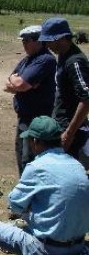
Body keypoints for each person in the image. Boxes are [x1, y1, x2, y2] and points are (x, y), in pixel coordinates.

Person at [0, 116, 89, 255]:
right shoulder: (77, 165)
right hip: (79, 247)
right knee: (33, 221)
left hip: (45, 250)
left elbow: (15, 204)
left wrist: (27, 207)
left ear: (35, 141)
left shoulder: (37, 167)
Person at [4, 25, 56, 175]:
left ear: (39, 41)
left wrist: (19, 83)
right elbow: (9, 83)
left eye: (27, 41)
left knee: (29, 159)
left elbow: (19, 84)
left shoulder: (45, 60)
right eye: (23, 41)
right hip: (24, 118)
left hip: (37, 119)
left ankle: (31, 191)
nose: (24, 44)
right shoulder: (27, 60)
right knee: (20, 155)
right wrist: (19, 83)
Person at [39, 17, 89, 166]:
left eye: (49, 40)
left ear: (61, 38)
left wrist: (69, 132)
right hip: (62, 125)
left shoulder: (74, 61)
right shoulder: (63, 55)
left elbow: (86, 99)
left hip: (70, 130)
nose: (46, 45)